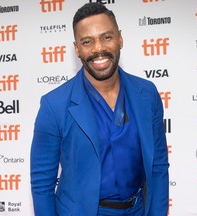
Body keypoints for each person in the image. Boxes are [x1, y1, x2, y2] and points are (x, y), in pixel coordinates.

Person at [30, 2, 169, 216]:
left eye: (107, 37)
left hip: (137, 210)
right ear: (77, 48)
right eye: (87, 41)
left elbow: (158, 166)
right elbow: (42, 185)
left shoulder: (147, 93)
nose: (98, 48)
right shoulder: (54, 105)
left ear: (120, 38)